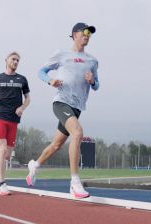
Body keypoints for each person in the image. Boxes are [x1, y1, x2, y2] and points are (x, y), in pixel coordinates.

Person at [26, 22, 99, 199]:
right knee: (78, 133)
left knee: (57, 144)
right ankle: (74, 183)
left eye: (90, 33)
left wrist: (92, 81)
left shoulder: (92, 61)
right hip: (61, 102)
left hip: (77, 107)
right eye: (85, 32)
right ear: (75, 34)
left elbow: (97, 85)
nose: (88, 35)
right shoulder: (61, 54)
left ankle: (34, 165)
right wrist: (50, 81)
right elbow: (41, 72)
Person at [0, 52, 30, 195]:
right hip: (0, 116)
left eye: (18, 60)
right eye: (13, 59)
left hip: (14, 119)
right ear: (6, 60)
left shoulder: (22, 79)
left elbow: (28, 98)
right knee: (3, 149)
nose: (16, 62)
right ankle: (2, 184)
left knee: (7, 155)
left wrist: (22, 107)